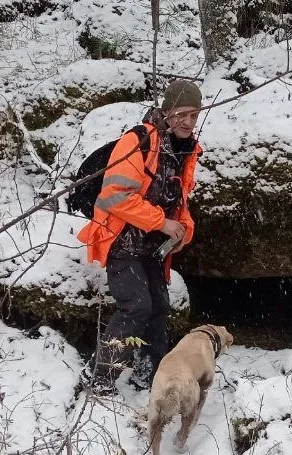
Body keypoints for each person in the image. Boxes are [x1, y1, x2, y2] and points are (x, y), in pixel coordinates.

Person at [77, 79, 204, 395]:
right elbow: (114, 196)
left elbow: (179, 203)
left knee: (159, 308)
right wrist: (162, 223)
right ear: (167, 111)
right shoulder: (139, 141)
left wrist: (183, 229)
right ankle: (98, 378)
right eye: (182, 114)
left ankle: (149, 376)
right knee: (136, 307)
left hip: (151, 248)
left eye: (194, 115)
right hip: (121, 242)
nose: (188, 122)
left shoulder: (185, 150)